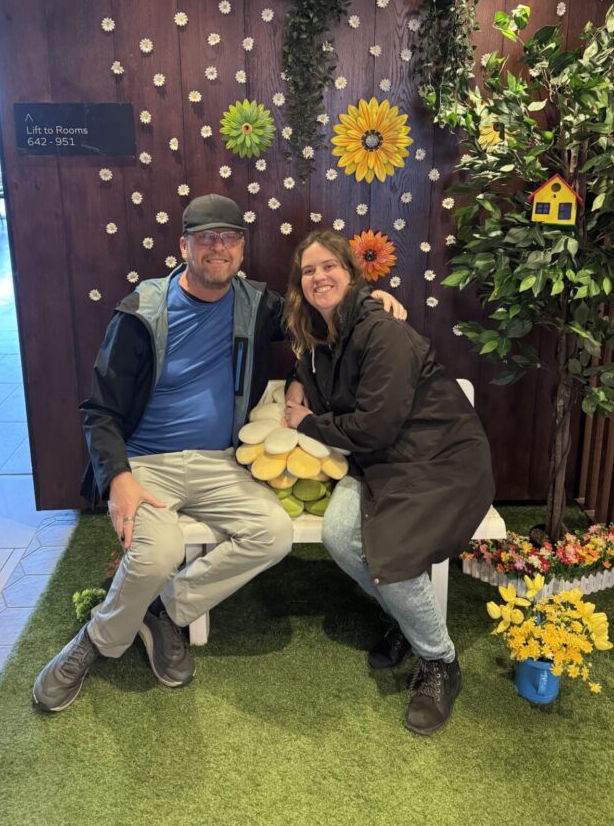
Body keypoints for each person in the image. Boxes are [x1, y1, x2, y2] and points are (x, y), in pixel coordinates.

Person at [34, 196, 404, 712]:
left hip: (220, 463)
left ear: (241, 249)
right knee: (157, 554)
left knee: (272, 534)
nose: (218, 247)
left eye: (229, 237)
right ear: (183, 246)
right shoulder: (142, 310)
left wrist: (369, 300)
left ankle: (163, 612)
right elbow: (99, 410)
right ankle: (94, 641)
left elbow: (321, 320)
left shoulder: (257, 304)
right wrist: (118, 478)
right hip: (147, 465)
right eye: (205, 237)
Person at [282, 229, 495, 736]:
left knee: (392, 555)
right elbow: (319, 389)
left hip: (439, 459)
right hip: (380, 462)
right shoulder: (319, 339)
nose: (319, 277)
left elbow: (373, 427)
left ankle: (440, 661)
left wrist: (308, 424)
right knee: (339, 536)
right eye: (309, 271)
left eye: (329, 266)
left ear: (351, 274)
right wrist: (295, 390)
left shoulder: (383, 332)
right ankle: (408, 623)